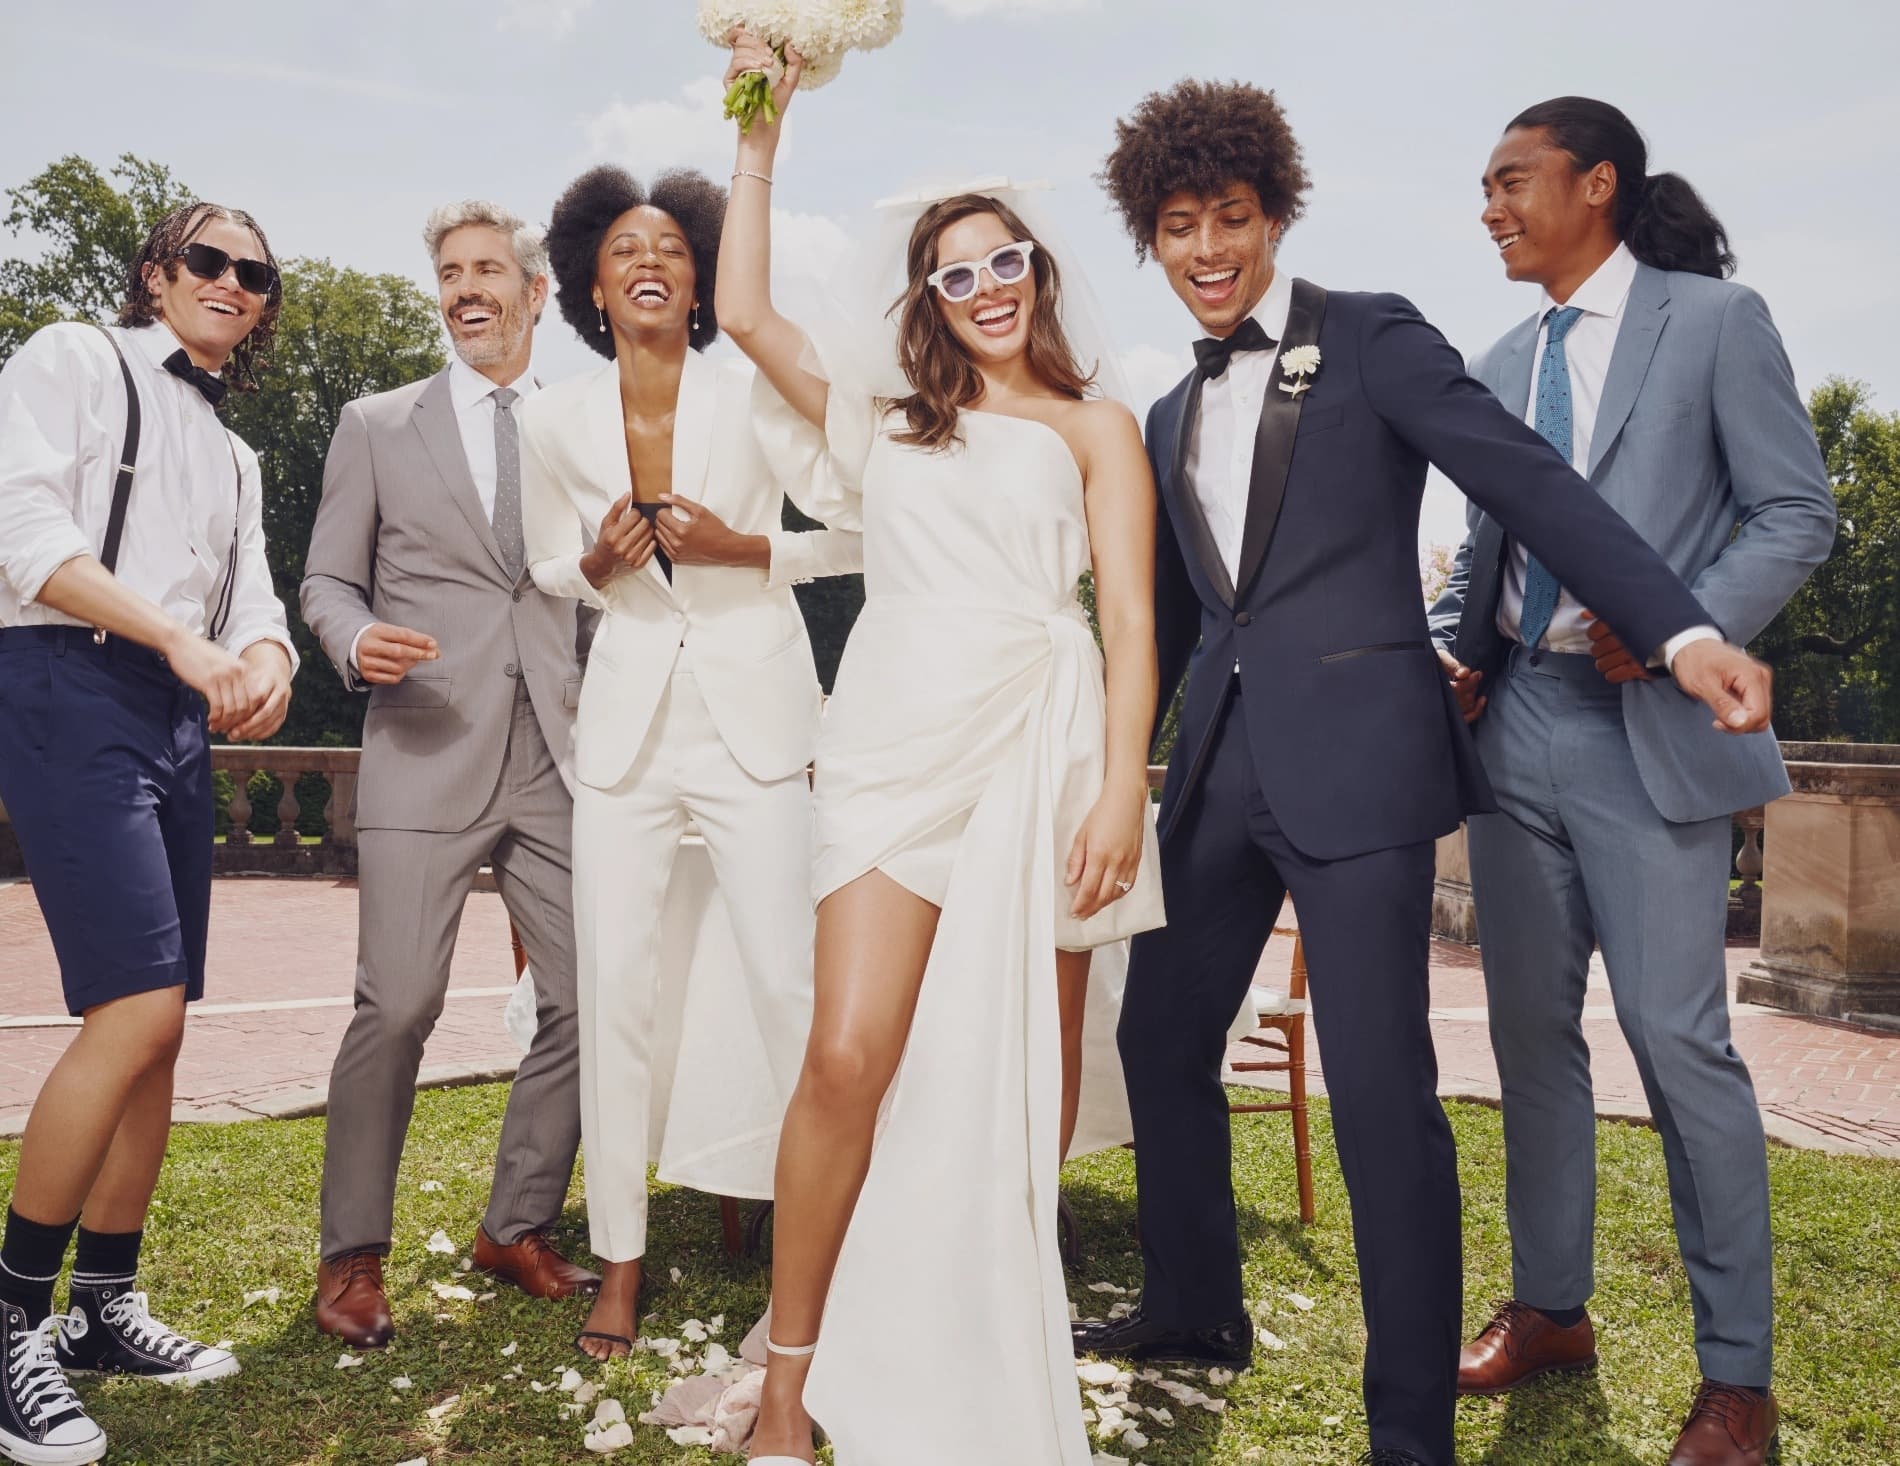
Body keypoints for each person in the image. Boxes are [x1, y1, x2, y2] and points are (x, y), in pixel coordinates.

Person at [1074, 79, 1780, 1466]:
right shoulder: (1161, 412)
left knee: (1379, 1086)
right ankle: (1191, 1303)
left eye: (1230, 217)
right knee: (1158, 1035)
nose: (1207, 247)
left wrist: (1682, 623)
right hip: (1215, 770)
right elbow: (1151, 613)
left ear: (1273, 217)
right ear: (1149, 243)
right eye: (1177, 226)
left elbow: (1528, 484)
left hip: (1364, 772)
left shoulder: (1376, 338)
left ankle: (1407, 1423)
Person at [714, 33, 1162, 1466]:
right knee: (847, 1054)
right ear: (928, 296)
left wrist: (1119, 784)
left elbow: (1136, 622)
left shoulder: (1100, 427)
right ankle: (792, 1377)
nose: (982, 288)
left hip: (1043, 743)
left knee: (1028, 1079)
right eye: (954, 271)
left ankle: (984, 1341)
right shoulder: (887, 423)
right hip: (895, 740)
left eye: (1002, 260)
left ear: (1036, 266)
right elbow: (741, 310)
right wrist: (763, 128)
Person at [1429, 98, 1834, 1466]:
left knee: (1679, 1042)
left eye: (1510, 180)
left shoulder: (1714, 323)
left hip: (1651, 728)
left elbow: (1795, 510)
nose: (1488, 206)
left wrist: (1679, 618)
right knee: (1531, 1037)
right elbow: (1479, 545)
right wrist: (1453, 649)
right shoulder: (1492, 360)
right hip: (1517, 729)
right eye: (1482, 186)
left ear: (1596, 183)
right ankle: (1553, 1307)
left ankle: (1740, 1384)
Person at [519, 162, 862, 1361]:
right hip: (624, 734)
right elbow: (546, 563)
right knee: (614, 989)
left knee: (788, 983)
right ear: (592, 284)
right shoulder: (551, 417)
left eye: (670, 243)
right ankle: (619, 1257)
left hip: (759, 717)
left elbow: (858, 528)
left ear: (702, 274)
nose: (648, 258)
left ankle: (832, 1240)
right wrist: (598, 569)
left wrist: (747, 546)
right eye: (622, 248)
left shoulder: (758, 396)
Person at [0, 200, 297, 1463]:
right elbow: (24, 535)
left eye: (257, 271)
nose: (235, 281)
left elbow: (258, 595)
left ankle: (105, 1304)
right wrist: (179, 639)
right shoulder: (75, 355)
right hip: (70, 678)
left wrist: (268, 658)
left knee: (160, 1024)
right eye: (211, 261)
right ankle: (12, 1316)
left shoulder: (235, 454)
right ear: (158, 276)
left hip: (175, 715)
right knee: (134, 1009)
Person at [302, 201, 597, 1351]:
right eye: (448, 272)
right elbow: (327, 579)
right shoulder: (376, 423)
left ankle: (515, 1220)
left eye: (487, 270)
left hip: (560, 760)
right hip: (423, 742)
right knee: (400, 1003)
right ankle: (351, 1256)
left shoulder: (586, 423)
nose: (465, 288)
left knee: (590, 994)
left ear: (534, 291)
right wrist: (352, 636)